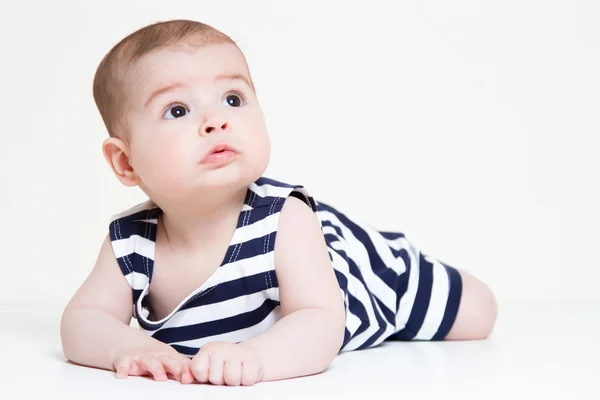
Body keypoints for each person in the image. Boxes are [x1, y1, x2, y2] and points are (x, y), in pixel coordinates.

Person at [60, 19, 498, 387]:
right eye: (177, 110)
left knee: (478, 314)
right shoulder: (131, 244)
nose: (217, 120)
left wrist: (256, 358)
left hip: (369, 280)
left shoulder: (284, 217)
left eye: (233, 98)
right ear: (125, 161)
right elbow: (82, 320)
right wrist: (127, 346)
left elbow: (321, 322)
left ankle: (422, 274)